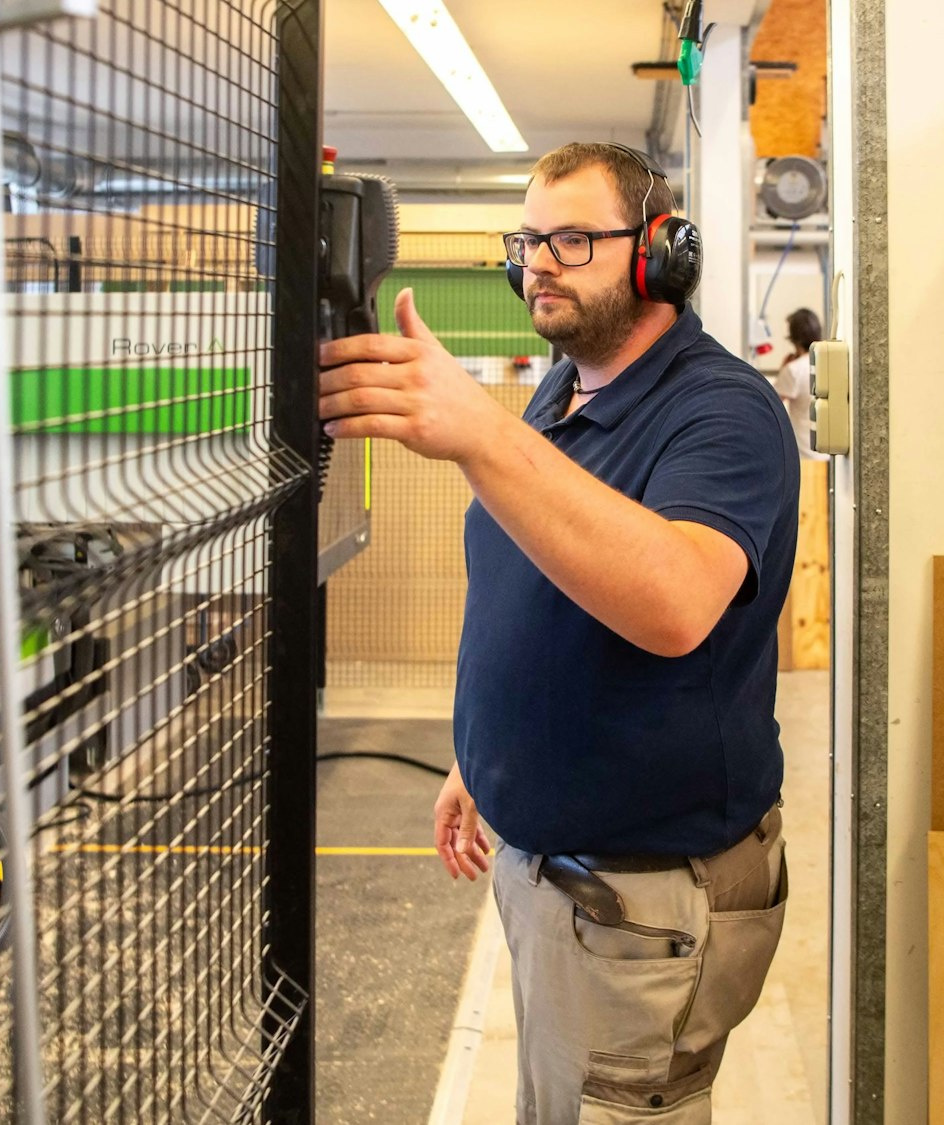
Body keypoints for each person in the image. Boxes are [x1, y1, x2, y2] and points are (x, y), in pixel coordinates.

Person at [318, 141, 798, 1124]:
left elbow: (670, 604)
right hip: (560, 875)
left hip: (644, 900)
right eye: (528, 240)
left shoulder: (721, 411)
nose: (537, 262)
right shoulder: (565, 385)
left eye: (572, 239)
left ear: (659, 253)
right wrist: (479, 755)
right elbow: (534, 579)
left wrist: (478, 431)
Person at [772, 307, 829, 459]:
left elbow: (771, 403)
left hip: (804, 454)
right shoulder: (827, 363)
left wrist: (782, 370)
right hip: (828, 453)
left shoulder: (793, 370)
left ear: (793, 337)